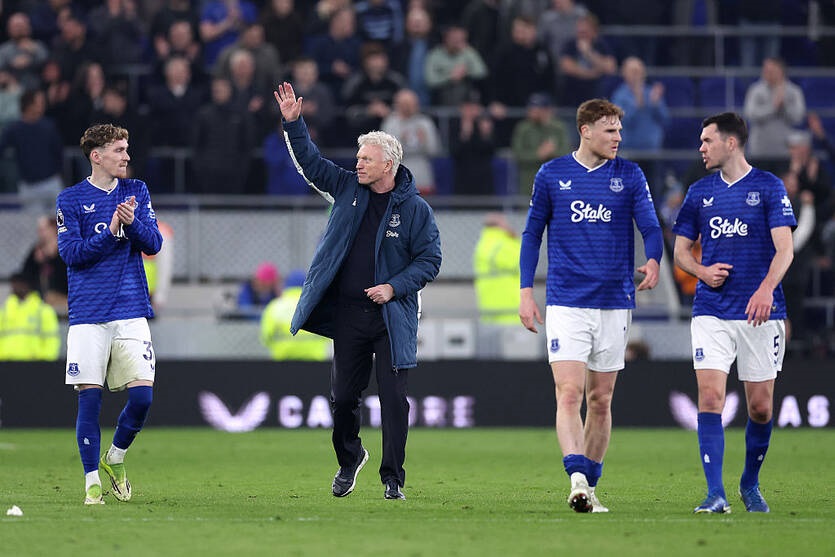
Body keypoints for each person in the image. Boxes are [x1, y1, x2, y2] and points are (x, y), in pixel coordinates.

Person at [274, 81, 442, 500]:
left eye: (367, 159)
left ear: (389, 164)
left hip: (391, 316)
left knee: (394, 400)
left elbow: (430, 261)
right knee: (343, 398)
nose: (359, 164)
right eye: (359, 157)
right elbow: (311, 163)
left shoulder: (416, 209)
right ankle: (350, 458)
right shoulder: (347, 186)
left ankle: (392, 478)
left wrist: (393, 287)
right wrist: (294, 124)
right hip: (349, 314)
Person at [519, 98, 663, 513]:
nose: (618, 137)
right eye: (610, 130)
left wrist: (655, 259)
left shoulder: (630, 175)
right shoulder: (552, 174)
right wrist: (526, 291)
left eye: (620, 130)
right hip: (567, 302)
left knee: (601, 399)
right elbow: (532, 235)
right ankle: (577, 479)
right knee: (569, 392)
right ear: (585, 131)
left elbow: (651, 227)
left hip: (615, 302)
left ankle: (591, 486)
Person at [672, 112, 796, 513]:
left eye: (707, 140)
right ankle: (715, 493)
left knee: (760, 406)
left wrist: (765, 289)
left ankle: (749, 483)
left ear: (731, 142)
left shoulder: (768, 186)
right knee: (710, 396)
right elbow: (680, 252)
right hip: (712, 309)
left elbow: (785, 250)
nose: (701, 148)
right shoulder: (699, 192)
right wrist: (701, 271)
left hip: (761, 311)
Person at [57, 123, 163, 505]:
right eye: (119, 149)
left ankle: (115, 457)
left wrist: (131, 224)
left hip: (131, 308)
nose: (126, 156)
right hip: (88, 313)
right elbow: (72, 254)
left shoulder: (136, 191)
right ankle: (91, 483)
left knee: (143, 398)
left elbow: (154, 243)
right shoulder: (70, 199)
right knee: (90, 399)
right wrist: (111, 230)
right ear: (96, 156)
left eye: (126, 148)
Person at [742, 57, 806, 170]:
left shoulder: (794, 91)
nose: (767, 73)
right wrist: (773, 107)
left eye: (771, 71)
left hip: (784, 152)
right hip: (759, 152)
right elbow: (750, 114)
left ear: (781, 71)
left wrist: (784, 107)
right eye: (765, 70)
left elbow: (798, 117)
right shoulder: (755, 90)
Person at [380, 88, 442, 195]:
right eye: (404, 104)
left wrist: (424, 141)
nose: (407, 107)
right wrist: (400, 141)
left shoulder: (425, 123)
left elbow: (435, 150)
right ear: (397, 104)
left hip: (422, 176)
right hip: (397, 178)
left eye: (410, 104)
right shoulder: (390, 123)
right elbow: (386, 153)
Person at [260, 269, 331, 360]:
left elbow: (266, 336)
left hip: (282, 362)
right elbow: (328, 334)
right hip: (314, 361)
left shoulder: (274, 307)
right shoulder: (318, 306)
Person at [510, 93, 570, 195]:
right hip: (529, 182)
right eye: (531, 108)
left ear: (547, 110)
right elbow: (517, 154)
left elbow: (566, 153)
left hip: (554, 181)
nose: (533, 111)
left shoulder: (558, 128)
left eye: (538, 108)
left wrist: (552, 152)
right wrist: (538, 154)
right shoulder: (523, 128)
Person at [0, 272, 60, 361]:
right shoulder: (4, 311)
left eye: (20, 283)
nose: (16, 286)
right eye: (14, 283)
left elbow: (52, 339)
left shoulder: (44, 311)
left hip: (35, 363)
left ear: (28, 285)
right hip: (6, 363)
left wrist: (46, 362)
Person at [473, 212, 521, 323]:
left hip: (489, 308)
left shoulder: (483, 244)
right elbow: (524, 260)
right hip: (509, 309)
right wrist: (515, 238)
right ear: (500, 225)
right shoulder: (501, 244)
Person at [20, 214, 69, 315]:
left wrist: (53, 258)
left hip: (63, 295)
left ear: (53, 229)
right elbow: (25, 274)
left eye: (43, 229)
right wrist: (37, 262)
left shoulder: (65, 248)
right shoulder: (36, 250)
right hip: (41, 297)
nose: (40, 233)